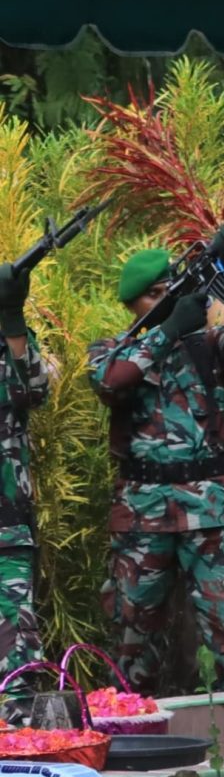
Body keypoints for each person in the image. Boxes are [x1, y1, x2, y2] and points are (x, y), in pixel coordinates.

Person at [93, 232, 224, 693]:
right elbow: (112, 381)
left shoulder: (208, 346)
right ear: (132, 304)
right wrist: (169, 328)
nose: (165, 301)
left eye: (169, 292)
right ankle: (134, 729)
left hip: (210, 506)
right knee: (135, 632)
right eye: (154, 296)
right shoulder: (111, 350)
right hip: (143, 509)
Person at [0, 249, 49, 673]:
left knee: (15, 658)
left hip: (6, 528)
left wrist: (13, 319)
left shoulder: (7, 342)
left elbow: (34, 392)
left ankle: (16, 736)